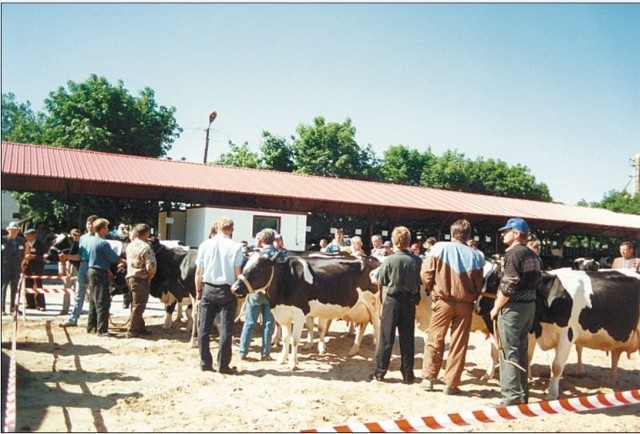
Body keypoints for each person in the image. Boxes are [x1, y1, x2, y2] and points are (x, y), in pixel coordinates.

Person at [421, 219, 485, 395]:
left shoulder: (439, 248)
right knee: (459, 343)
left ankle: (428, 378)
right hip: (465, 304)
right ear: (468, 235)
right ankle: (452, 383)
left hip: (443, 301)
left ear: (452, 233)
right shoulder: (477, 256)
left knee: (435, 338)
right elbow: (479, 284)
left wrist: (431, 288)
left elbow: (426, 273)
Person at [490, 217, 541, 406]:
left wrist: (495, 308)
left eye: (507, 231)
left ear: (517, 234)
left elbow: (509, 286)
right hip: (529, 306)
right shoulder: (533, 255)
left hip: (513, 309)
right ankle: (522, 394)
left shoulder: (513, 255)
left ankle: (511, 398)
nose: (503, 234)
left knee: (508, 352)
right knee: (521, 350)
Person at [370, 226, 422, 384]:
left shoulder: (389, 260)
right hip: (410, 302)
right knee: (407, 339)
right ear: (408, 241)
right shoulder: (417, 260)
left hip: (392, 301)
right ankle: (408, 375)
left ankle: (380, 372)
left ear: (393, 241)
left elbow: (380, 279)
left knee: (386, 338)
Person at [195, 217, 245, 374]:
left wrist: (198, 291)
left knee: (203, 328)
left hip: (208, 288)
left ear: (217, 228)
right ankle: (223, 365)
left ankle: (205, 363)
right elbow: (238, 273)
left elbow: (198, 272)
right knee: (226, 329)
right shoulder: (236, 247)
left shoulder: (205, 244)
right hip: (227, 290)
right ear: (231, 229)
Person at [239, 228, 279, 362]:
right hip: (271, 294)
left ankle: (243, 351)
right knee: (268, 324)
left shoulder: (255, 253)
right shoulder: (278, 254)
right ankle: (265, 353)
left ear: (261, 240)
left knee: (250, 322)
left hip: (255, 293)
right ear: (273, 239)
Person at [85, 218, 126, 337]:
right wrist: (123, 261)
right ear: (102, 229)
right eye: (107, 227)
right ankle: (102, 330)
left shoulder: (91, 241)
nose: (108, 230)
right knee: (103, 301)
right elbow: (113, 258)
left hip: (91, 270)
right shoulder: (103, 243)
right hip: (99, 273)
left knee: (93, 300)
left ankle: (92, 326)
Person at [60, 215, 98, 328]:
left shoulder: (102, 238)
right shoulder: (83, 238)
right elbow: (79, 256)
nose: (90, 226)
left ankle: (95, 321)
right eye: (88, 223)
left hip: (95, 268)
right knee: (79, 294)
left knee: (95, 296)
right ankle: (73, 319)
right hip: (83, 266)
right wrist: (67, 256)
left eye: (92, 223)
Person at [125, 224, 157, 338]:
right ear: (146, 233)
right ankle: (133, 331)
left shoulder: (130, 246)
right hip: (141, 279)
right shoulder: (146, 247)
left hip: (130, 277)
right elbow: (151, 266)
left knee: (135, 304)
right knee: (139, 306)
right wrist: (150, 276)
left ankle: (140, 327)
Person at [2, 222, 25, 315]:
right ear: (8, 230)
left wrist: (21, 264)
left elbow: (23, 254)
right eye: (12, 230)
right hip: (4, 267)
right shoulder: (2, 240)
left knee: (15, 288)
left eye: (16, 230)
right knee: (3, 288)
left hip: (16, 267)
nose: (14, 231)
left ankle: (14, 308)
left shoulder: (21, 240)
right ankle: (2, 309)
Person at [23, 228, 47, 311]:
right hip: (26, 268)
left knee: (37, 286)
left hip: (37, 268)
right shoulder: (25, 244)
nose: (26, 237)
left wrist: (34, 257)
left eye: (28, 235)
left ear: (34, 235)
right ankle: (30, 304)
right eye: (26, 235)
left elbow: (46, 257)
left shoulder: (41, 244)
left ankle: (40, 305)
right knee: (27, 285)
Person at [58, 229, 81, 315]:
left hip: (77, 270)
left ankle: (77, 309)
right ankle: (65, 309)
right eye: (73, 235)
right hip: (67, 269)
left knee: (78, 291)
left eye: (77, 235)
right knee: (66, 291)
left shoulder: (81, 245)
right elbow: (61, 259)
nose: (75, 237)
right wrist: (61, 270)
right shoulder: (66, 244)